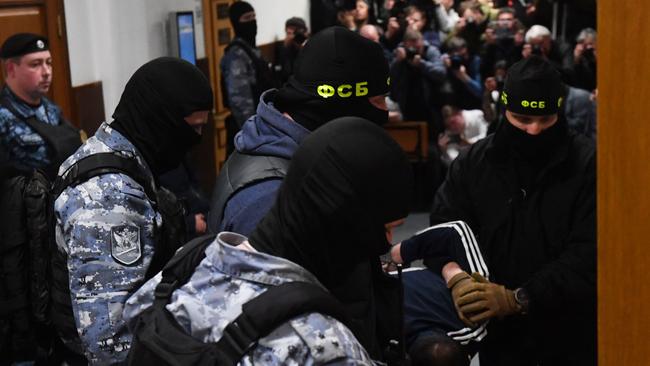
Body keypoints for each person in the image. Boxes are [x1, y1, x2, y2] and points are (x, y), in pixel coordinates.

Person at [125, 117, 414, 364]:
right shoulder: (322, 348)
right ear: (343, 220)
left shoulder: (180, 275)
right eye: (386, 228)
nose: (388, 243)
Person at [428, 56, 596, 365]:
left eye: (546, 120)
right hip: (499, 338)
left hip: (571, 332)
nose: (534, 131)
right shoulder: (473, 164)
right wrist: (456, 277)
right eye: (522, 119)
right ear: (505, 110)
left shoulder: (588, 164)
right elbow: (444, 227)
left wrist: (519, 298)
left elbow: (590, 252)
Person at [53, 57, 213, 364]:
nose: (197, 140)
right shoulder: (110, 200)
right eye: (193, 128)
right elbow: (110, 344)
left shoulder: (112, 150)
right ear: (160, 120)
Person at [208, 26, 392, 236]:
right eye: (379, 100)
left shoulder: (298, 155)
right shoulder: (268, 199)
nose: (385, 111)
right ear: (339, 104)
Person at [0, 33, 81, 177]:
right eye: (35, 64)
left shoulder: (50, 108)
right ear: (11, 69)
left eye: (48, 63)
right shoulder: (3, 117)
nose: (47, 72)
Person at [220, 1, 275, 154]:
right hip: (248, 135)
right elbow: (240, 103)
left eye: (254, 16)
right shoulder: (236, 55)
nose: (252, 21)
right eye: (246, 18)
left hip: (261, 128)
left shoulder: (252, 51)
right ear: (236, 23)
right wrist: (255, 136)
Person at [273, 17, 309, 85]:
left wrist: (302, 46)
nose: (294, 36)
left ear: (305, 32)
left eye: (297, 31)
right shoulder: (282, 48)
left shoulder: (310, 45)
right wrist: (285, 48)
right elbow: (279, 74)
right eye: (289, 32)